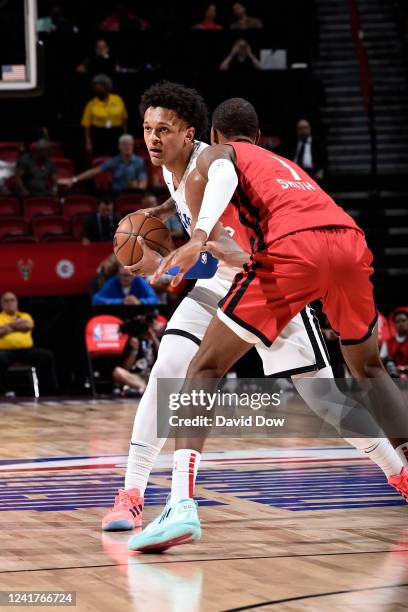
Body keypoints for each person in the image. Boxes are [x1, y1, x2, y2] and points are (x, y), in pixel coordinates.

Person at [99, 83, 405, 545]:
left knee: (323, 397)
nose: (153, 139)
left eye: (163, 130)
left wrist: (181, 254)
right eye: (147, 130)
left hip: (263, 273)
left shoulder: (214, 160)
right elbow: (192, 217)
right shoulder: (170, 168)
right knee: (169, 370)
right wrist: (161, 218)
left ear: (193, 133)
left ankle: (397, 472)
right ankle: (132, 493)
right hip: (228, 280)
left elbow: (234, 251)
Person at [0, 293, 59, 396]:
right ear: (2, 304)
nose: (10, 303)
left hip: (26, 350)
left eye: (12, 300)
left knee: (46, 356)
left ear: (17, 302)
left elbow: (28, 325)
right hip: (6, 352)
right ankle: (3, 391)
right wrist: (17, 325)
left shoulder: (24, 315)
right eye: (6, 301)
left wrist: (7, 327)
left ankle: (49, 391)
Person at [59, 135, 147, 195]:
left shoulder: (139, 162)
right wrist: (74, 179)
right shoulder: (114, 161)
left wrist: (137, 188)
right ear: (119, 147)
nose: (127, 147)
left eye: (129, 144)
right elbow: (95, 171)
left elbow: (143, 182)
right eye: (124, 145)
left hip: (134, 193)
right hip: (117, 194)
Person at [81, 74, 128, 158]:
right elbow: (86, 125)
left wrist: (124, 137)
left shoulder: (117, 99)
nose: (97, 88)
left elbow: (124, 119)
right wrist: (88, 142)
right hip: (99, 135)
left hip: (116, 133)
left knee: (117, 158)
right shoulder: (91, 104)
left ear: (107, 86)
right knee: (100, 159)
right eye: (95, 86)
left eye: (99, 86)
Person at [112, 316, 160, 396]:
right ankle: (145, 390)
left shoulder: (159, 340)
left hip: (153, 376)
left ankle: (141, 390)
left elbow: (164, 356)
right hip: (136, 377)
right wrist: (134, 350)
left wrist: (154, 338)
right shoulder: (134, 340)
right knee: (117, 372)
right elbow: (126, 368)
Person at [92, 266, 159, 305]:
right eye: (123, 275)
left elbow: (155, 299)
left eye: (129, 276)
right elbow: (96, 299)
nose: (126, 279)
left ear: (134, 275)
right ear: (118, 274)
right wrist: (121, 301)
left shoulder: (139, 281)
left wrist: (139, 301)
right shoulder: (113, 281)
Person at [381, 309, 408, 378]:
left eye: (403, 320)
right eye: (397, 321)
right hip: (393, 377)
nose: (401, 324)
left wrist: (404, 368)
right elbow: (381, 361)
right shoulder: (387, 343)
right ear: (394, 324)